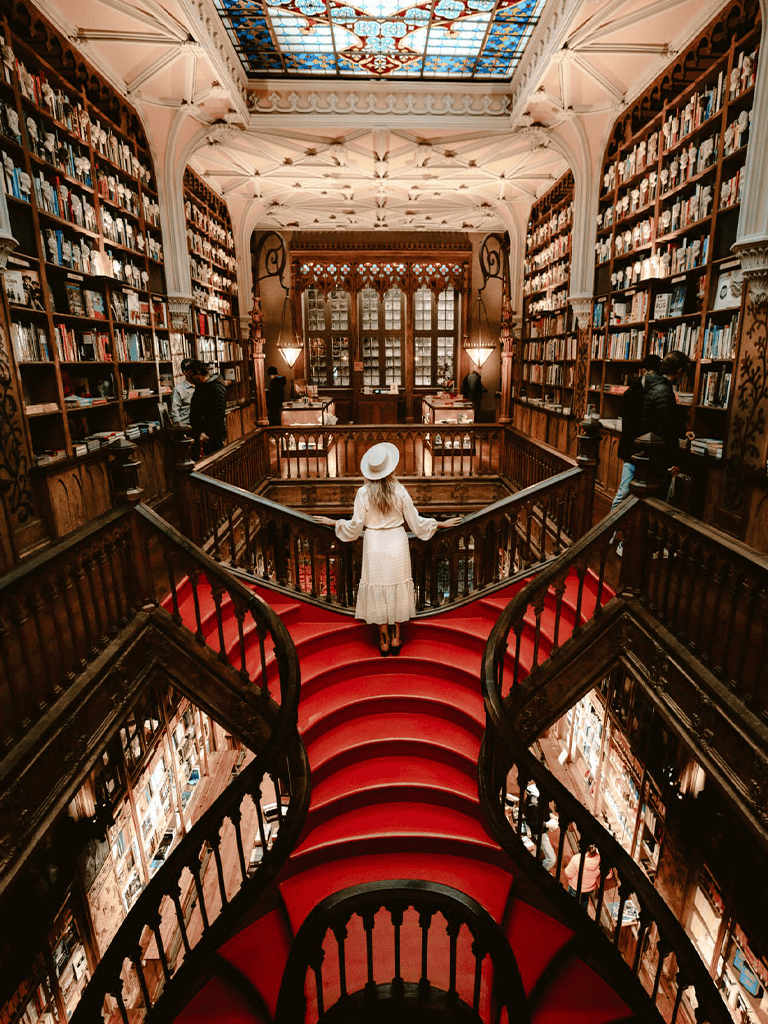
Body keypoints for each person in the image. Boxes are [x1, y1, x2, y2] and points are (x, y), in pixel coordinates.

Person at [313, 442, 462, 656]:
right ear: (391, 469)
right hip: (396, 542)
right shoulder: (400, 491)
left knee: (378, 587)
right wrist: (440, 523)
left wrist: (332, 522)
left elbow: (355, 526)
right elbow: (415, 522)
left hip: (374, 543)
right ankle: (396, 637)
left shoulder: (362, 493)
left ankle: (382, 638)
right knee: (396, 588)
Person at [611, 353, 663, 512]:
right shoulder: (636, 392)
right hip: (635, 449)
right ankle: (607, 531)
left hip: (638, 448)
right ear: (647, 371)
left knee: (634, 493)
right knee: (624, 491)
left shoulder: (639, 389)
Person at [641, 349, 692, 484]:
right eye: (684, 373)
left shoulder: (653, 384)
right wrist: (671, 462)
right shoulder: (664, 390)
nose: (683, 377)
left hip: (649, 448)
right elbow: (666, 428)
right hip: (658, 454)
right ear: (680, 370)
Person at [187, 358, 228, 457]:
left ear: (198, 373)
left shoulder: (216, 387)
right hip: (201, 434)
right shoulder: (201, 386)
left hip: (212, 436)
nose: (189, 379)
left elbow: (218, 414)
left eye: (191, 376)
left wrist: (207, 433)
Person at [522, 782, 557, 873]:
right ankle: (541, 872)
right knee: (551, 859)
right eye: (536, 798)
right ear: (531, 798)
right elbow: (533, 825)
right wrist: (546, 824)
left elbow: (547, 810)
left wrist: (551, 815)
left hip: (543, 830)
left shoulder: (540, 801)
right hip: (539, 833)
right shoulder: (530, 808)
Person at [564, 843, 602, 908]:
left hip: (575, 888)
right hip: (589, 889)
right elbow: (609, 876)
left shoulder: (577, 858)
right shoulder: (600, 860)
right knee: (584, 904)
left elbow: (568, 873)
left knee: (570, 906)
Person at [170, 358, 196, 428]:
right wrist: (181, 428)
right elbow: (174, 412)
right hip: (187, 426)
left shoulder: (201, 386)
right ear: (185, 372)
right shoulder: (178, 389)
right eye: (192, 369)